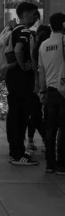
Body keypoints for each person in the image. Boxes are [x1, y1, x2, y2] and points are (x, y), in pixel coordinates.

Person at [5, 1, 39, 166]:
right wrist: (24, 66)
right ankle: (18, 154)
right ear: (26, 14)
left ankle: (14, 152)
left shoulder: (13, 30)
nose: (35, 18)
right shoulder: (24, 30)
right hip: (21, 80)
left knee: (14, 116)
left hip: (12, 79)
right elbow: (19, 49)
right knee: (21, 116)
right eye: (34, 14)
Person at [38, 12, 65, 174]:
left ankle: (50, 163)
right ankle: (62, 164)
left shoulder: (44, 45)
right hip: (63, 93)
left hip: (49, 91)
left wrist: (42, 91)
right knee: (64, 129)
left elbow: (41, 72)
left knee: (50, 129)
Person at [28, 23, 51, 152]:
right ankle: (47, 142)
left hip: (34, 85)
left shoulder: (35, 49)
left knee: (35, 114)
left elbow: (35, 68)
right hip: (48, 85)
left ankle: (31, 141)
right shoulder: (47, 48)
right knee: (47, 116)